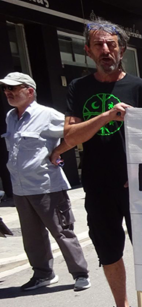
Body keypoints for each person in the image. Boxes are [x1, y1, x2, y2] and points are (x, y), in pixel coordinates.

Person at [53, 20, 142, 307]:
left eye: (111, 44)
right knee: (109, 251)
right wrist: (106, 116)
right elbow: (71, 136)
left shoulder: (140, 88)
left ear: (122, 50)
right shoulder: (78, 88)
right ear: (88, 51)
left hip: (138, 186)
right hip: (98, 185)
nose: (106, 50)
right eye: (98, 45)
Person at [1, 72, 90, 292]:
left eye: (13, 88)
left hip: (46, 185)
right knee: (32, 237)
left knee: (62, 231)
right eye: (5, 89)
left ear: (29, 91)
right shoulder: (11, 117)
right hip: (20, 188)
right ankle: (43, 274)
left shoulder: (47, 114)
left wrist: (58, 151)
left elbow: (77, 132)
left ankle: (80, 274)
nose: (8, 92)